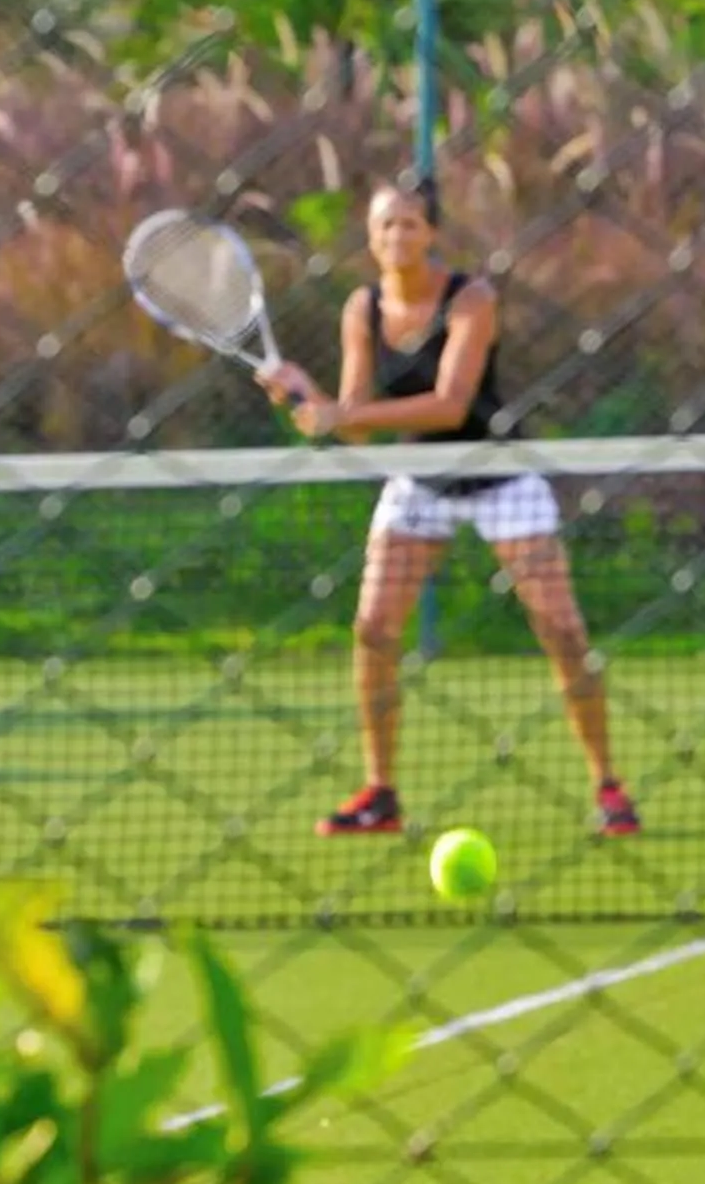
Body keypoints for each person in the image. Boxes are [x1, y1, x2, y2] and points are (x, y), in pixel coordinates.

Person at [262, 182, 639, 839]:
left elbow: (450, 404)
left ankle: (609, 786)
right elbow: (351, 423)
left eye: (409, 225)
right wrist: (305, 399)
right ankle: (380, 794)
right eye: (384, 227)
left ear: (431, 233)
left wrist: (342, 413)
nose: (396, 238)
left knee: (563, 632)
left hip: (499, 477)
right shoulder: (362, 307)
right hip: (422, 481)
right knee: (374, 629)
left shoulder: (472, 298)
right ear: (370, 236)